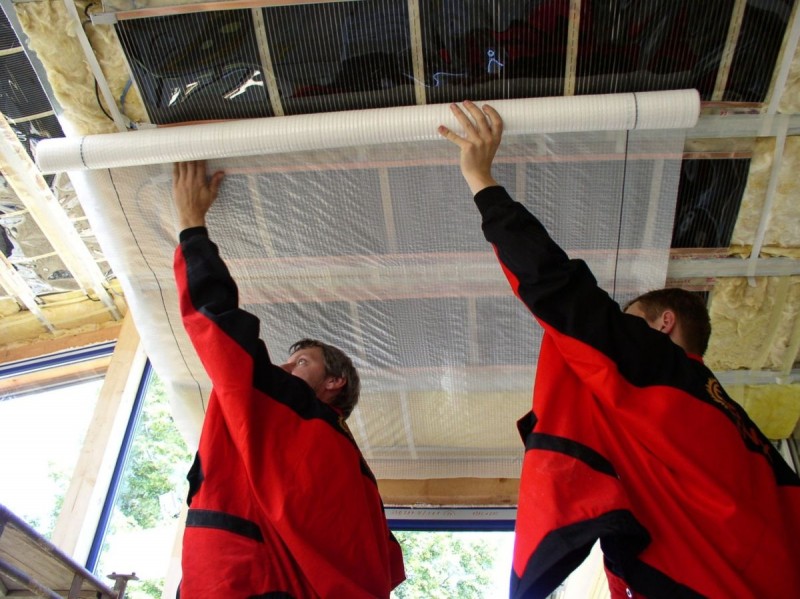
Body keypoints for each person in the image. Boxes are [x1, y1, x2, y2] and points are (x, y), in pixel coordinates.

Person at [439, 101, 800, 599]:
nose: (603, 351)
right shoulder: (743, 433)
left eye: (626, 326)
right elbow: (562, 296)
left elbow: (562, 295)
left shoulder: (660, 371)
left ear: (663, 325)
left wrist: (479, 175)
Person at [171, 161, 405, 598]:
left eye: (301, 360)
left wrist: (192, 227)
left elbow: (221, 331)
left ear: (334, 382)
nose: (281, 368)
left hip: (238, 580)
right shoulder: (358, 480)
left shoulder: (293, 419)